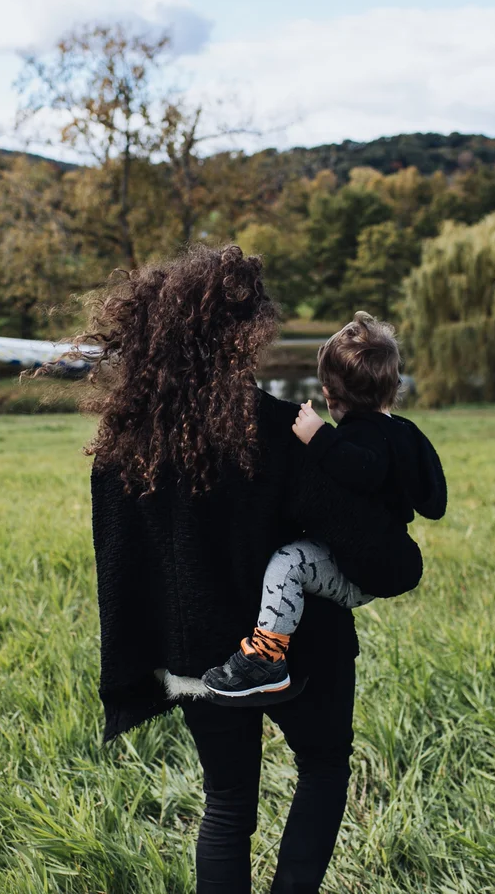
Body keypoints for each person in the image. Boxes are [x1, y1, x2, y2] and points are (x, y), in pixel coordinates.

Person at [86, 246, 424, 894]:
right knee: (324, 766)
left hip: (198, 660)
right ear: (237, 336)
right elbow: (382, 560)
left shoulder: (121, 443)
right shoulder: (276, 430)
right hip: (303, 647)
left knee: (228, 799)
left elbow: (122, 570)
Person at [200, 312, 447, 702]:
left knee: (288, 563)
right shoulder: (406, 432)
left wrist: (319, 438)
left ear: (329, 394)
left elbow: (361, 470)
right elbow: (435, 501)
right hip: (391, 558)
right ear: (393, 387)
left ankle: (267, 658)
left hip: (362, 570)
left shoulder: (358, 439)